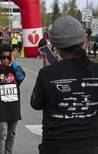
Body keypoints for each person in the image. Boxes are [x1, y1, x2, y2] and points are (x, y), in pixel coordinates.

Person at [31, 16, 98, 154]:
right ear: (83, 42)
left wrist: (49, 69)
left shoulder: (47, 74)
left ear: (55, 46)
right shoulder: (95, 70)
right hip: (92, 145)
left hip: (55, 146)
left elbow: (35, 104)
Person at [0, 44, 25, 154]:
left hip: (13, 107)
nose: (5, 60)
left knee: (11, 134)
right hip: (1, 108)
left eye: (8, 57)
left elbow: (20, 77)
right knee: (2, 135)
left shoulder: (16, 69)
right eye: (3, 57)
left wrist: (14, 62)